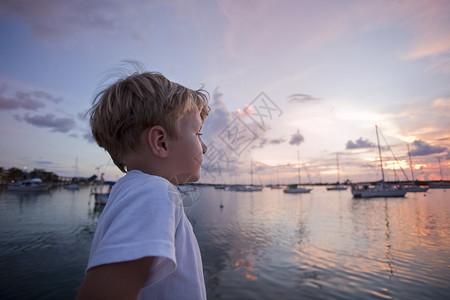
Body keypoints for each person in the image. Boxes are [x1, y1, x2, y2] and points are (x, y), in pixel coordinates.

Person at [76, 69, 209, 299]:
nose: (204, 147)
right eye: (198, 133)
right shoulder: (154, 192)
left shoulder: (130, 191)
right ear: (161, 142)